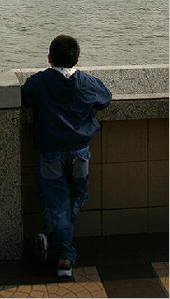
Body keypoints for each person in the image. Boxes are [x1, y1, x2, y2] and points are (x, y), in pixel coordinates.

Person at [21, 34, 112, 279]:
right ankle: (64, 252)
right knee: (78, 195)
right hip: (80, 152)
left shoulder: (40, 82)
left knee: (56, 201)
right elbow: (106, 98)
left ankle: (61, 251)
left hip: (51, 152)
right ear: (77, 58)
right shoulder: (87, 82)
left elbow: (26, 97)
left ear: (49, 58)